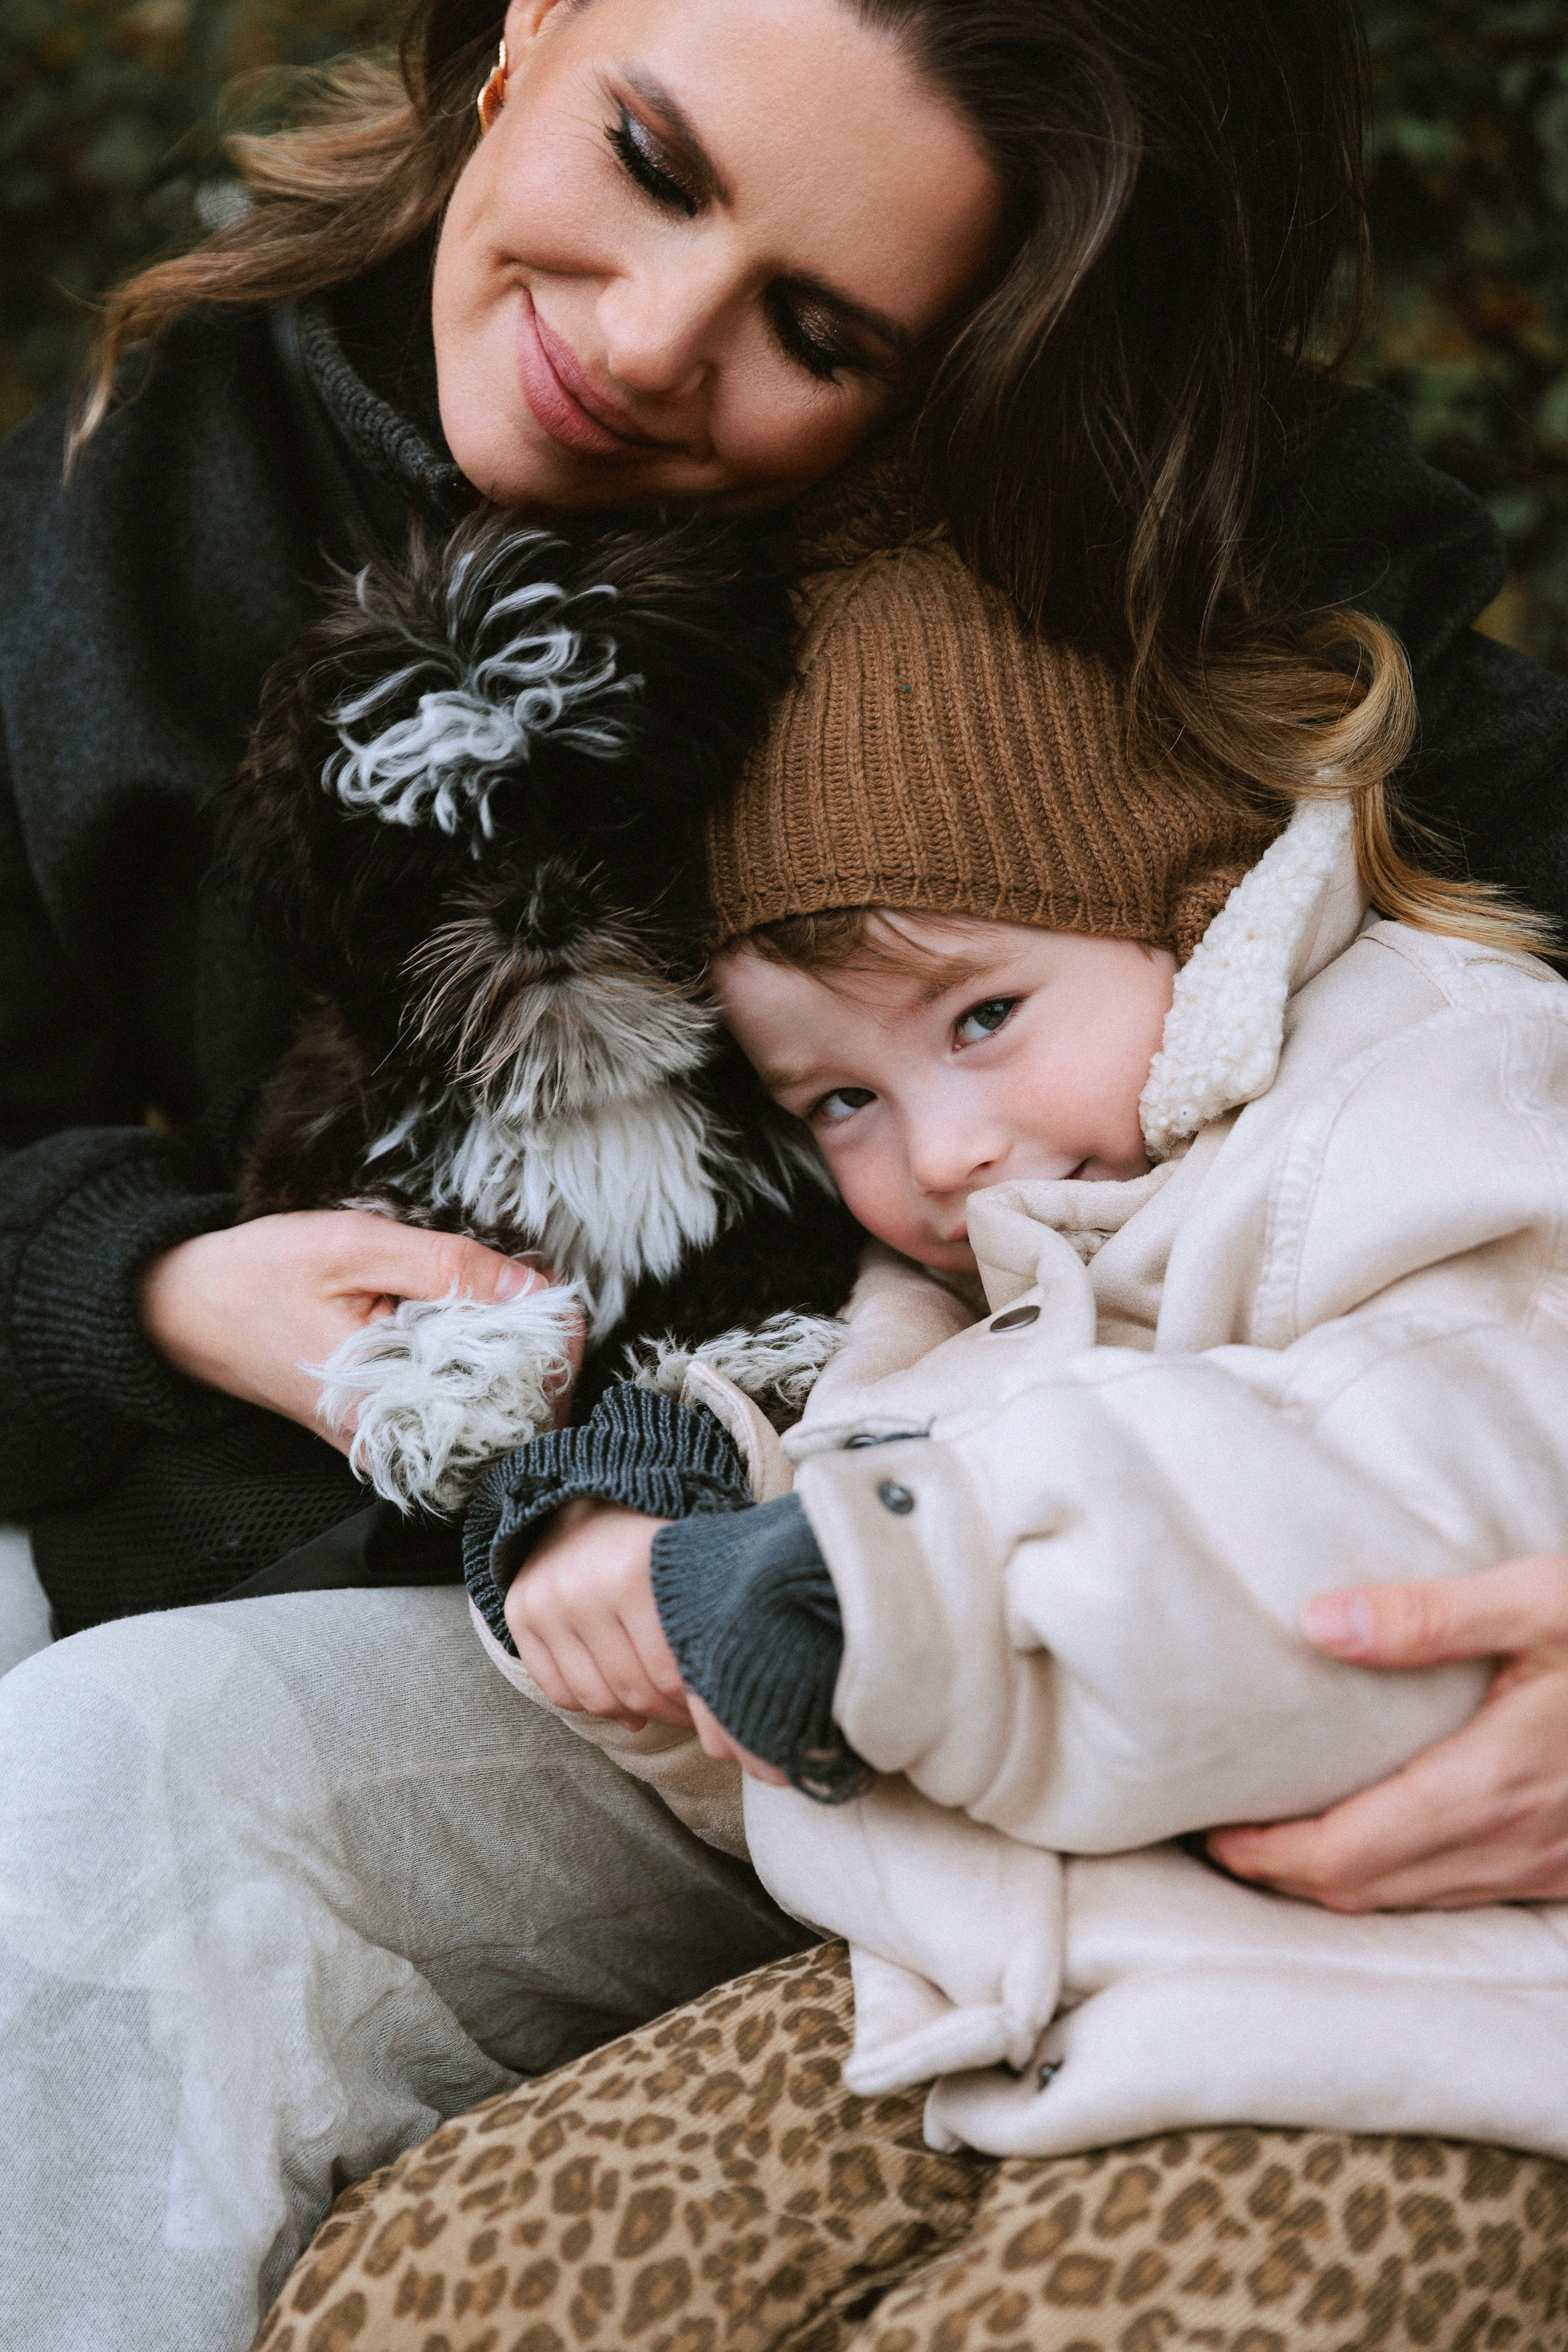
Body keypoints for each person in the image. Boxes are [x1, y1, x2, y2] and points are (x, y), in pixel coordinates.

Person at [1, 0, 1567, 2341]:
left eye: (819, 336)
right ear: (529, 27)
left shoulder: (1126, 546)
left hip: (1004, 1580)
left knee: (108, 1794)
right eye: (652, 158)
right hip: (441, 1566)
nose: (648, 342)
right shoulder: (151, 488)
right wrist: (151, 1285)